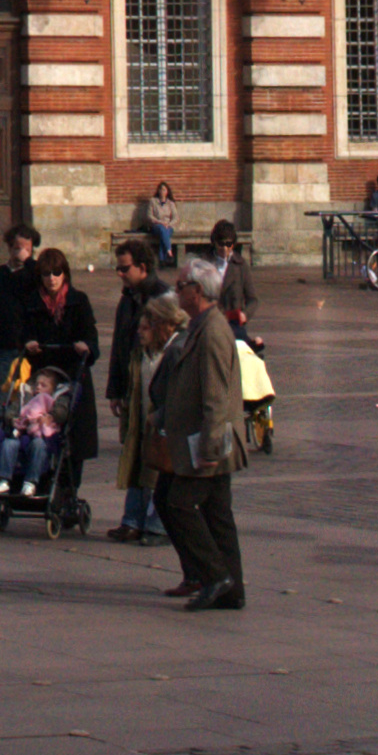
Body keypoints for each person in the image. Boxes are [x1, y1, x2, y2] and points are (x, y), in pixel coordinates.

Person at [130, 241, 255, 611]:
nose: (176, 289)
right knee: (217, 515)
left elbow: (216, 394)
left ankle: (215, 576)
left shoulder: (213, 331)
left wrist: (210, 447)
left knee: (178, 504)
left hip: (209, 442)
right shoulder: (202, 326)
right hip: (202, 438)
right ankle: (231, 590)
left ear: (197, 292)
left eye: (182, 285)